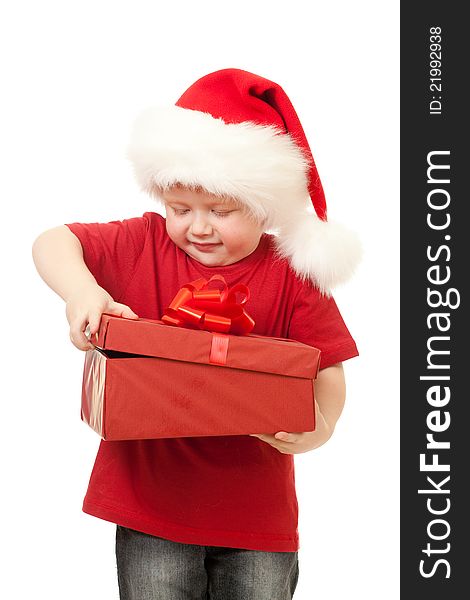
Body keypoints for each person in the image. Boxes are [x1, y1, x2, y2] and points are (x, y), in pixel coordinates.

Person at [32, 68, 361, 600]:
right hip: (151, 510)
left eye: (221, 211)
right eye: (180, 210)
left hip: (258, 518)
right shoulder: (142, 243)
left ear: (264, 208)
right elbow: (52, 242)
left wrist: (322, 426)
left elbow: (328, 364)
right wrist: (81, 293)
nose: (198, 227)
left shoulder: (290, 272)